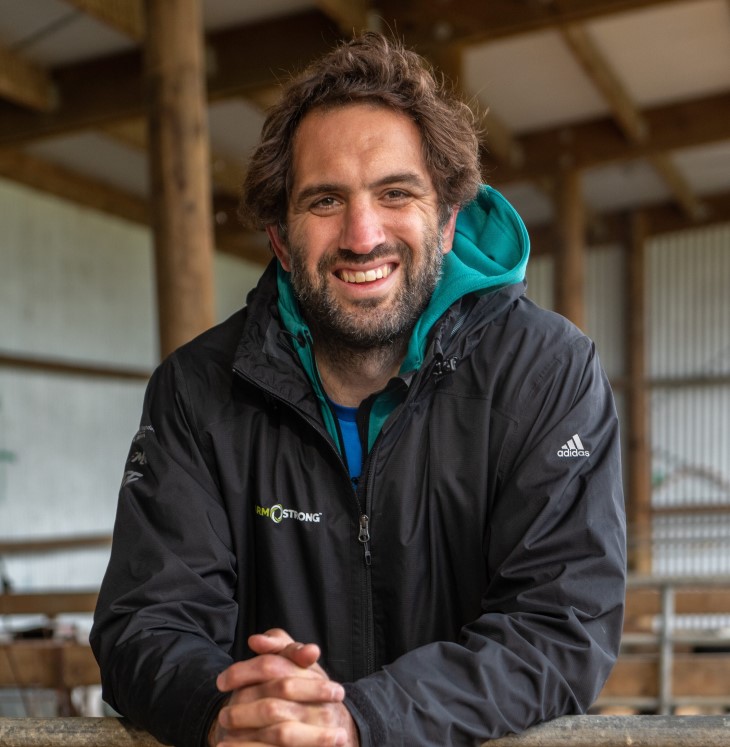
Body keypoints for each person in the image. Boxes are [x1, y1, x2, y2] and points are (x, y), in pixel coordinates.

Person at [91, 32, 626, 747]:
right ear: (281, 239)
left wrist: (363, 718)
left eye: (396, 192)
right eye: (324, 201)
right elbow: (147, 620)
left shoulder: (547, 373)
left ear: (446, 223)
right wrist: (225, 707)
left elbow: (562, 623)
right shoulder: (195, 390)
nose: (362, 233)